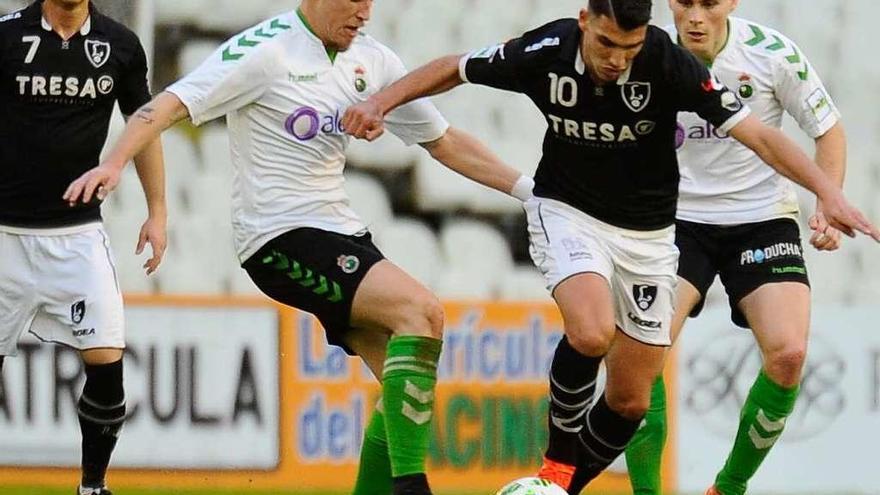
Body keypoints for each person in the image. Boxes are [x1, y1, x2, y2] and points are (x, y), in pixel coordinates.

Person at [341, 0, 880, 492]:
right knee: (592, 330)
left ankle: (560, 488)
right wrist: (382, 102)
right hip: (576, 212)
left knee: (630, 400)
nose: (618, 61)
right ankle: (558, 469)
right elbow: (455, 67)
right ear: (585, 22)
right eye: (606, 46)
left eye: (629, 48)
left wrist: (827, 194)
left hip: (658, 234)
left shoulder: (667, 59)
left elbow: (762, 136)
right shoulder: (547, 50)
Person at [62, 1, 533, 494]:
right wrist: (114, 164)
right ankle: (414, 490)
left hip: (343, 232)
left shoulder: (373, 61)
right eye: (352, 0)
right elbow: (165, 106)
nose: (363, 12)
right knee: (423, 313)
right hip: (276, 236)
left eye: (370, 1)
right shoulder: (265, 51)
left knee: (400, 392)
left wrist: (529, 192)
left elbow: (445, 141)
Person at [622, 1, 849, 494]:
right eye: (685, 2)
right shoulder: (643, 53)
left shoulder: (771, 54)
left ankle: (727, 488)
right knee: (640, 356)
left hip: (761, 218)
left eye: (710, 2)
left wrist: (826, 203)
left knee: (788, 355)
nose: (697, 16)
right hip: (673, 221)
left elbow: (828, 129)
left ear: (731, 3)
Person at [0, 0, 166, 494]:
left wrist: (157, 211)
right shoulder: (7, 36)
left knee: (107, 360)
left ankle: (92, 486)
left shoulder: (120, 44)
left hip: (76, 238)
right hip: (4, 236)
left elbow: (147, 125)